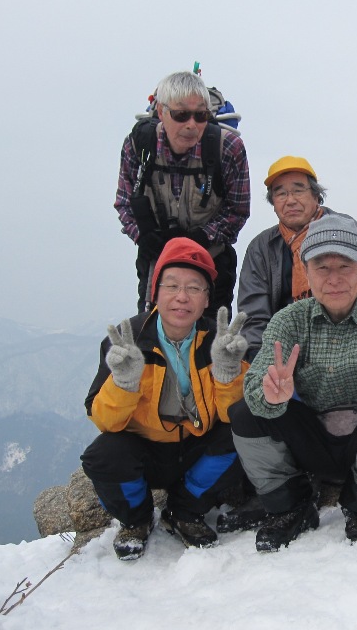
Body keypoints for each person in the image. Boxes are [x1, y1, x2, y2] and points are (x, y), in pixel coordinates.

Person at [230, 214, 357, 551]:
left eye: (345, 265)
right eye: (322, 267)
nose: (334, 278)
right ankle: (291, 506)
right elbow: (256, 383)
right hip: (312, 439)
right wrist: (270, 396)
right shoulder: (288, 320)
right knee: (245, 414)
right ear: (306, 269)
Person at [81, 237, 250, 560]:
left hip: (196, 449)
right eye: (171, 285)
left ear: (206, 301)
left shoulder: (219, 341)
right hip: (147, 452)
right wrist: (124, 382)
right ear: (155, 293)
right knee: (104, 454)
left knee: (242, 434)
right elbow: (104, 421)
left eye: (194, 288)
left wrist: (228, 375)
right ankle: (137, 519)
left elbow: (233, 416)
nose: (182, 297)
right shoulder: (128, 340)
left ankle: (185, 511)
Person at [114, 71, 250, 317]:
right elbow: (124, 203)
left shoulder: (229, 148)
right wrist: (144, 237)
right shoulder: (138, 145)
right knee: (151, 335)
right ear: (161, 113)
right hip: (157, 260)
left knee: (210, 342)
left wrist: (200, 239)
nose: (191, 124)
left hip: (212, 259)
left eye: (200, 116)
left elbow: (238, 210)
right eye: (180, 114)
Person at [237, 155, 357, 362]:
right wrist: (263, 361)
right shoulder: (261, 248)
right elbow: (253, 316)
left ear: (317, 196)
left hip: (345, 344)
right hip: (281, 349)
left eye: (298, 190)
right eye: (280, 193)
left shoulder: (345, 230)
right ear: (273, 203)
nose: (290, 200)